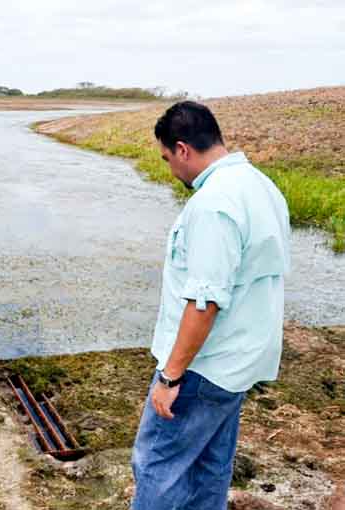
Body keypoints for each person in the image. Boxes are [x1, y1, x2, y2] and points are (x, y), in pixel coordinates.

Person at [130, 101, 291, 509]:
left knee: (157, 464)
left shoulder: (214, 205)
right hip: (240, 362)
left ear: (183, 149)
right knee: (210, 465)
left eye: (168, 158)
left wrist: (170, 377)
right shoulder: (260, 186)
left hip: (204, 366)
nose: (171, 169)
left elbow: (204, 302)